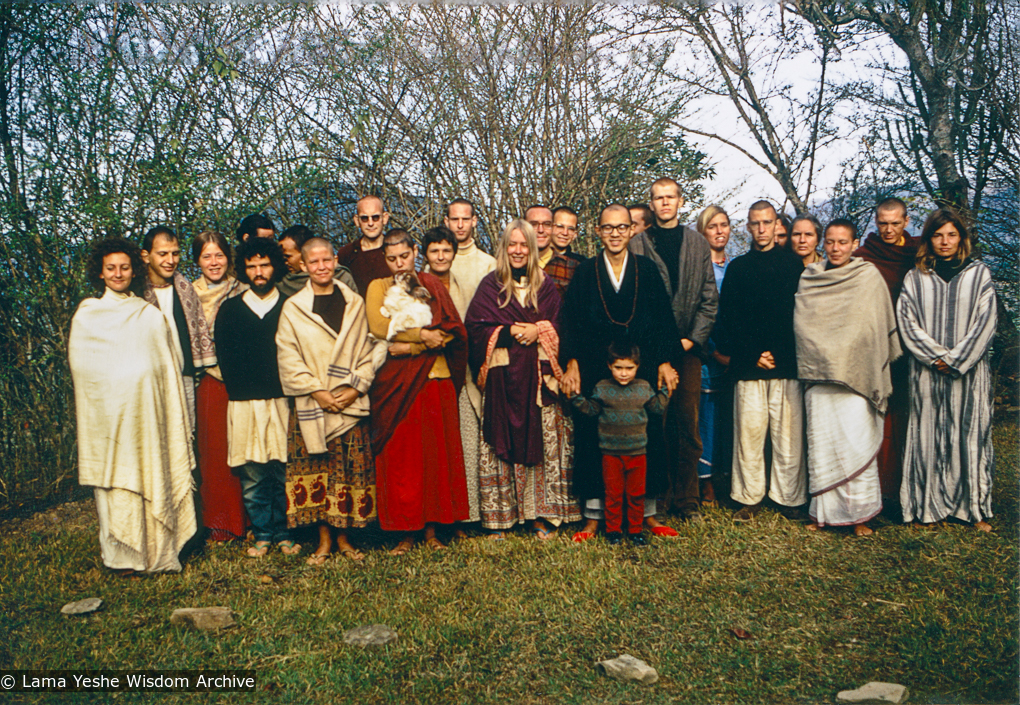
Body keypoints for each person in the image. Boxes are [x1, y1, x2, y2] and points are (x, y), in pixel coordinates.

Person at [69, 238, 197, 573]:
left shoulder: (149, 315)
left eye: (124, 267)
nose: (118, 273)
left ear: (134, 270)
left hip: (146, 418)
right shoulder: (88, 315)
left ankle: (157, 554)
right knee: (116, 485)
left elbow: (168, 369)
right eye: (111, 268)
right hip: (108, 421)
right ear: (100, 272)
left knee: (153, 475)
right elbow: (83, 370)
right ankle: (120, 558)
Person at [561, 204, 680, 541]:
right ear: (597, 231)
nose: (615, 233)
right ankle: (595, 517)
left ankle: (647, 515)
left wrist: (665, 361)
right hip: (596, 364)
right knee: (592, 437)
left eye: (622, 227)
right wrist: (571, 362)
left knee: (650, 435)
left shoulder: (646, 268)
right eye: (608, 227)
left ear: (632, 231)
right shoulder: (586, 271)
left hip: (639, 367)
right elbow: (570, 320)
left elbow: (662, 320)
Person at [466, 220, 581, 538]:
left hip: (540, 382)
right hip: (503, 380)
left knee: (546, 447)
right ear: (503, 248)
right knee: (500, 444)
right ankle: (501, 518)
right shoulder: (491, 285)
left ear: (533, 249)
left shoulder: (545, 286)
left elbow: (562, 327)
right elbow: (475, 329)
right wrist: (505, 331)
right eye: (511, 245)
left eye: (524, 245)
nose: (518, 251)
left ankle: (541, 516)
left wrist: (539, 329)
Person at [277, 237, 380, 562]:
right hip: (313, 403)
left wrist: (354, 388)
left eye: (326, 260)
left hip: (349, 402)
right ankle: (323, 540)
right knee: (317, 470)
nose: (321, 267)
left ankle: (346, 539)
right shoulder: (294, 308)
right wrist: (318, 392)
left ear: (336, 260)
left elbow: (370, 349)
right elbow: (288, 356)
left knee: (347, 472)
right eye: (314, 262)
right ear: (303, 266)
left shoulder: (355, 304)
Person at [366, 230, 470, 554]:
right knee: (402, 459)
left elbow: (453, 329)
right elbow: (379, 328)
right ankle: (403, 532)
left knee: (434, 457)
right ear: (385, 259)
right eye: (392, 258)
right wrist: (422, 338)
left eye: (405, 256)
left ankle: (432, 530)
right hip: (396, 384)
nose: (399, 264)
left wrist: (411, 344)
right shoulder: (378, 287)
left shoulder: (432, 284)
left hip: (435, 379)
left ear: (415, 252)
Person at [795, 219, 900, 536]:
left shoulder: (868, 277)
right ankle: (822, 514)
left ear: (855, 244)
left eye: (843, 242)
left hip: (857, 375)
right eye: (830, 242)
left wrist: (845, 353)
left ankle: (860, 517)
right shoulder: (811, 277)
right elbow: (804, 327)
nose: (836, 248)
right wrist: (829, 353)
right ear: (823, 244)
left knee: (855, 444)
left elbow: (874, 327)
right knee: (823, 446)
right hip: (821, 376)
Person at [898, 208, 997, 531]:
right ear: (929, 239)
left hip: (969, 372)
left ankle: (974, 509)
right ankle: (927, 507)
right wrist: (936, 356)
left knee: (969, 437)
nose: (945, 241)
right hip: (926, 371)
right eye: (938, 235)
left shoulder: (978, 274)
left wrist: (955, 360)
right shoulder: (916, 277)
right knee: (927, 437)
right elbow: (907, 322)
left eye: (951, 234)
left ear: (961, 238)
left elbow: (986, 322)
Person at [628, 177, 718, 522]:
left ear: (681, 201)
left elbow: (709, 299)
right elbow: (637, 304)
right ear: (650, 204)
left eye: (670, 197)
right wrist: (661, 344)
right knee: (655, 423)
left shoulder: (697, 243)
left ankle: (688, 501)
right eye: (658, 198)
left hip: (689, 350)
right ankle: (658, 500)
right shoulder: (638, 245)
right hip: (650, 351)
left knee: (687, 424)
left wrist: (690, 340)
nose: (665, 203)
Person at [716, 200, 806, 523]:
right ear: (748, 227)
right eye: (755, 223)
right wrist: (754, 354)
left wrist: (778, 354)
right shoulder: (738, 269)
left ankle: (789, 497)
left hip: (786, 364)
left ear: (776, 224)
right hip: (748, 365)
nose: (762, 229)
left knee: (788, 436)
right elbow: (730, 318)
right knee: (749, 435)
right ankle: (749, 497)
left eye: (767, 222)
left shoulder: (793, 266)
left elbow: (799, 317)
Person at [216, 238, 300, 556]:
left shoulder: (290, 305)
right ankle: (263, 533)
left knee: (282, 470)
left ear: (275, 266)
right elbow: (226, 359)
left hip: (282, 400)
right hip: (245, 403)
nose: (258, 271)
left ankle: (284, 532)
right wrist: (244, 392)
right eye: (251, 266)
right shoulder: (231, 309)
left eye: (264, 264)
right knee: (253, 474)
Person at [854, 197, 920, 504]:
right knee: (877, 416)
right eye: (883, 223)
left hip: (911, 346)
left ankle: (904, 489)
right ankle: (876, 489)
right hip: (874, 346)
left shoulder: (918, 253)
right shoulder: (866, 256)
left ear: (906, 222)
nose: (889, 229)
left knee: (907, 417)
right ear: (875, 222)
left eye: (895, 223)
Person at [571, 343, 671, 545]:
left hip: (638, 453)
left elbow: (657, 408)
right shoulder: (603, 387)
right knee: (613, 494)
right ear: (609, 366)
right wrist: (575, 396)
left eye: (629, 368)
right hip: (610, 453)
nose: (624, 374)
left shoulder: (643, 387)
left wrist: (666, 390)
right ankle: (613, 531)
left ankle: (635, 531)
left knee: (636, 494)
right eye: (618, 368)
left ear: (638, 366)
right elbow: (591, 410)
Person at [423, 226, 484, 532]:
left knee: (464, 442)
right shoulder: (418, 285)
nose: (441, 256)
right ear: (425, 255)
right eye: (435, 251)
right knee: (435, 448)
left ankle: (463, 515)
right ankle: (434, 517)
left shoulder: (462, 284)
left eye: (446, 250)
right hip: (428, 373)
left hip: (463, 371)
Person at [191, 231, 249, 542]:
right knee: (214, 453)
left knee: (245, 450)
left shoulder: (243, 289)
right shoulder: (189, 294)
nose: (214, 262)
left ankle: (248, 521)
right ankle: (220, 523)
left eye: (219, 255)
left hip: (242, 379)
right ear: (198, 261)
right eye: (207, 256)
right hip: (211, 380)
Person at [141, 226, 216, 431]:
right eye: (162, 254)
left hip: (184, 378)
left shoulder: (184, 289)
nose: (170, 260)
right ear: (146, 256)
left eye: (175, 253)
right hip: (150, 383)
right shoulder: (137, 294)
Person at [695, 205, 733, 505]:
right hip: (707, 355)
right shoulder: (698, 270)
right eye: (712, 226)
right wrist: (712, 352)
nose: (719, 231)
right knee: (704, 418)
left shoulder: (733, 268)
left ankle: (725, 477)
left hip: (734, 355)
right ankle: (704, 482)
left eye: (724, 225)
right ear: (702, 231)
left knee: (726, 418)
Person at [277, 224, 357, 298]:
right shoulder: (282, 283)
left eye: (287, 256)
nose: (284, 261)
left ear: (304, 254)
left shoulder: (342, 277)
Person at [337, 195, 394, 294]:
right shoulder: (346, 254)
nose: (370, 223)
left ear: (384, 218)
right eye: (364, 218)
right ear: (357, 220)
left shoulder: (394, 250)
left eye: (375, 217)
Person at [445, 197, 497, 298]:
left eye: (465, 219)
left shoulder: (489, 264)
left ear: (474, 221)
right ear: (447, 222)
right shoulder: (437, 262)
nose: (460, 225)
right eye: (455, 219)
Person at [544, 206, 586, 297]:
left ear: (575, 234)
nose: (565, 233)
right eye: (560, 226)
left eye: (570, 229)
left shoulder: (581, 265)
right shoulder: (534, 258)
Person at [525, 204, 556, 270]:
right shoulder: (510, 265)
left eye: (547, 224)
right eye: (534, 224)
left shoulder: (571, 268)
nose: (540, 230)